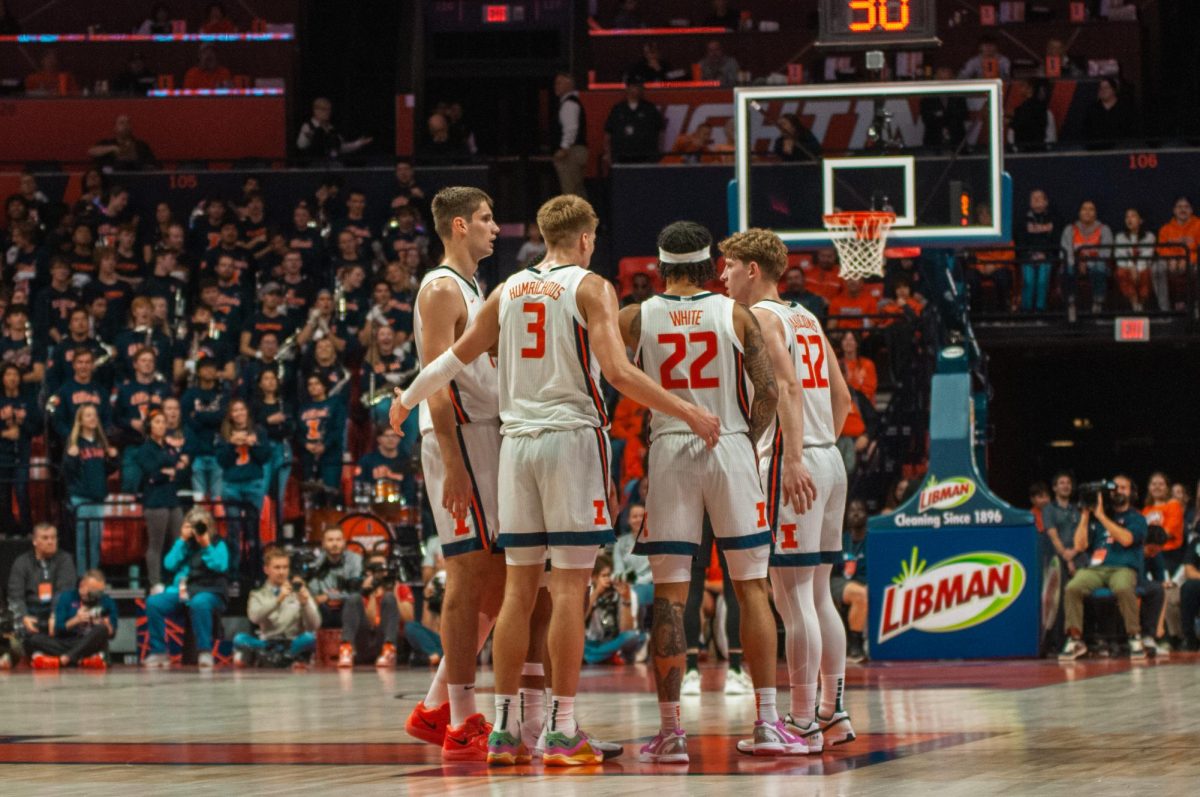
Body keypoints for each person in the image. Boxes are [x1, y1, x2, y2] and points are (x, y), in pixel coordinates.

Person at [392, 194, 720, 766]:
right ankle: (563, 730)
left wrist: (405, 398)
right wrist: (688, 411)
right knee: (567, 587)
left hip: (514, 445)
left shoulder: (506, 289)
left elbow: (449, 362)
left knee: (519, 591)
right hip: (568, 439)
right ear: (586, 239)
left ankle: (503, 728)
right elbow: (617, 372)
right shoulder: (591, 287)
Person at [620, 220, 795, 761]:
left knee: (671, 598)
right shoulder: (734, 313)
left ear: (661, 266)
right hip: (731, 446)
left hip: (671, 446)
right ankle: (767, 722)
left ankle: (672, 733)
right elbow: (768, 392)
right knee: (752, 587)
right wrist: (745, 438)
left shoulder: (636, 316)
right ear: (705, 265)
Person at [720, 227, 857, 752]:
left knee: (792, 594)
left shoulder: (763, 317)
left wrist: (795, 457)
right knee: (819, 593)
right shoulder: (808, 316)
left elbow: (788, 390)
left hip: (791, 461)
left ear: (753, 270)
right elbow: (842, 397)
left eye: (729, 266)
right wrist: (821, 448)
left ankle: (800, 720)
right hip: (828, 459)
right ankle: (832, 712)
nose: (724, 276)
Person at [400, 187, 506, 762]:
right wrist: (456, 464)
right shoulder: (441, 288)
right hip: (458, 438)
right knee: (466, 575)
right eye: (487, 219)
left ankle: (438, 703)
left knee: (497, 579)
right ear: (460, 226)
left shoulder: (471, 286)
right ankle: (461, 718)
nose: (495, 228)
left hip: (482, 435)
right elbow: (435, 381)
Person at [1059, 475, 1149, 660]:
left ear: (1131, 493)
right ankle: (1075, 640)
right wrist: (1085, 515)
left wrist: (1101, 515)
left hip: (1123, 568)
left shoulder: (1137, 518)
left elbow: (1126, 539)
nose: (1118, 491)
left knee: (1123, 587)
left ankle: (1134, 636)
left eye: (1124, 488)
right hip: (1096, 569)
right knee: (1072, 587)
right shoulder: (1098, 517)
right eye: (1115, 488)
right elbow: (1080, 545)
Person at [142, 508, 230, 670]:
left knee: (199, 602)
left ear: (210, 527)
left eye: (201, 526)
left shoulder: (218, 543)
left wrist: (206, 546)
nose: (197, 531)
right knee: (154, 602)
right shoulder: (185, 545)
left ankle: (204, 652)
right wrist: (181, 540)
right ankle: (159, 651)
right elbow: (169, 564)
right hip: (183, 591)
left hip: (209, 590)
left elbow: (220, 565)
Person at [233, 545, 321, 667]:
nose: (281, 572)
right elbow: (254, 617)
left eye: (285, 567)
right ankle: (286, 660)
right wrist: (277, 600)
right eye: (277, 568)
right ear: (266, 570)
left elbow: (314, 625)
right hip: (268, 643)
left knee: (309, 638)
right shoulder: (257, 594)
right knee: (239, 639)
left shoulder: (299, 590)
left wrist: (305, 604)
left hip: (292, 642)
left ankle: (273, 660)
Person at [216, 399, 269, 572]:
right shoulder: (223, 434)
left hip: (254, 483)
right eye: (235, 410)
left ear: (247, 412)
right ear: (230, 415)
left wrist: (253, 445)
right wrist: (232, 445)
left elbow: (264, 457)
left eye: (242, 409)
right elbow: (222, 462)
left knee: (253, 528)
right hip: (231, 485)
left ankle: (254, 569)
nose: (239, 413)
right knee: (233, 528)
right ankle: (234, 570)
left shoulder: (258, 431)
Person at [137, 409, 187, 591]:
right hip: (155, 501)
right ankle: (155, 582)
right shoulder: (144, 449)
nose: (161, 425)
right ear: (150, 426)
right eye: (157, 422)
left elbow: (181, 471)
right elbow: (151, 472)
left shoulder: (169, 448)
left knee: (179, 542)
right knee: (156, 544)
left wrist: (168, 471)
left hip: (172, 499)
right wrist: (168, 471)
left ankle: (179, 579)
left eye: (163, 422)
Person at [62, 405, 117, 571]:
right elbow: (66, 472)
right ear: (80, 420)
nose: (93, 418)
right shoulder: (74, 442)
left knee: (96, 541)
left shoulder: (101, 442)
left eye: (94, 415)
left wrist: (114, 459)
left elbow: (107, 470)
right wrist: (70, 458)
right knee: (83, 541)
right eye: (88, 415)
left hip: (98, 497)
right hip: (82, 498)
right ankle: (82, 577)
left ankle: (93, 575)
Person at [336, 552, 414, 668]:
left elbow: (409, 618)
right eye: (376, 567)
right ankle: (346, 649)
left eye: (382, 566)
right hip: (365, 642)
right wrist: (371, 593)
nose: (380, 571)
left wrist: (393, 593)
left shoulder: (400, 587)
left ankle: (389, 650)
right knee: (353, 598)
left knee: (389, 598)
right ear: (368, 571)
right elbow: (371, 621)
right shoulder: (363, 589)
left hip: (389, 639)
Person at [27, 570, 117, 669]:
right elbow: (58, 628)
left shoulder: (107, 601)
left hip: (90, 642)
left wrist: (105, 624)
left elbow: (111, 634)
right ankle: (80, 660)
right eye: (94, 592)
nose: (97, 595)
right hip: (69, 641)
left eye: (100, 592)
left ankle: (66, 659)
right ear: (82, 586)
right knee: (34, 639)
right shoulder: (67, 597)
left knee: (101, 629)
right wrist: (76, 620)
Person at [6, 524, 76, 640]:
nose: (50, 542)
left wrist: (55, 614)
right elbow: (15, 596)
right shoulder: (22, 562)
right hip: (31, 610)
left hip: (57, 610)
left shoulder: (65, 559)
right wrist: (24, 616)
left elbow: (64, 591)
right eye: (45, 538)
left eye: (53, 538)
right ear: (34, 541)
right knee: (16, 620)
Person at [583, 554, 646, 664]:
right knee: (575, 642)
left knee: (633, 637)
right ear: (594, 578)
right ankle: (611, 656)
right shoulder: (589, 592)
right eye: (604, 575)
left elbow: (627, 630)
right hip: (594, 642)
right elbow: (580, 619)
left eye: (610, 575)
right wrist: (596, 593)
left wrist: (626, 599)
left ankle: (594, 657)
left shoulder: (626, 592)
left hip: (616, 640)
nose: (609, 580)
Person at [180, 357, 228, 499]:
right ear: (198, 372)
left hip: (217, 451)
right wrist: (211, 417)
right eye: (205, 368)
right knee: (199, 500)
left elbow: (222, 418)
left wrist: (199, 415)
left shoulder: (223, 395)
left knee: (217, 500)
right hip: (196, 452)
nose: (209, 371)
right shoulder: (190, 394)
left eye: (212, 368)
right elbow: (186, 420)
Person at [830, 500, 869, 664]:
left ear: (867, 515)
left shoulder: (874, 538)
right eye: (851, 510)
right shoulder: (840, 540)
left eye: (860, 509)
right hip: (841, 582)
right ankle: (855, 647)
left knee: (864, 592)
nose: (855, 513)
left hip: (870, 582)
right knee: (860, 595)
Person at [0, 363, 36, 537]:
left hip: (22, 453)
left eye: (15, 374)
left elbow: (36, 428)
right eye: (8, 374)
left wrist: (23, 424)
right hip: (3, 454)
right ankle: (7, 529)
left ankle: (26, 529)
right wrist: (5, 433)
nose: (12, 378)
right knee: (4, 494)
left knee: (22, 491)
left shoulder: (28, 401)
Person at [1059, 200, 1114, 314]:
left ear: (1095, 213)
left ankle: (1098, 302)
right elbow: (1064, 252)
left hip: (1096, 264)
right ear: (1079, 212)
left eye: (1091, 209)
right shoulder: (1070, 229)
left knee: (1099, 268)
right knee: (1067, 269)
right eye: (1084, 209)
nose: (1087, 212)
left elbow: (1105, 253)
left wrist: (1087, 263)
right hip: (1074, 263)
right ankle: (1071, 303)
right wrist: (1077, 263)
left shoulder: (1104, 229)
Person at [307, 527, 362, 629]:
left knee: (353, 601)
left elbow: (354, 591)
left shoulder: (355, 560)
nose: (335, 544)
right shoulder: (316, 564)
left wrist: (329, 596)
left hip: (348, 607)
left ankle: (347, 642)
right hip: (324, 610)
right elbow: (314, 596)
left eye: (338, 540)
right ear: (323, 544)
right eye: (330, 540)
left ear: (344, 542)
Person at [603, 81, 665, 166]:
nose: (638, 89)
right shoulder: (618, 109)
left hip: (646, 156)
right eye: (635, 86)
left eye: (640, 87)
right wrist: (608, 153)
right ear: (627, 88)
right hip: (622, 156)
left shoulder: (650, 108)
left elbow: (660, 131)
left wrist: (660, 151)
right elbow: (608, 132)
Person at [1155, 195, 1200, 312]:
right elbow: (1160, 248)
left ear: (1191, 210)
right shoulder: (1165, 229)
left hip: (1192, 261)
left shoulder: (1198, 225)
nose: (1182, 210)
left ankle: (1197, 309)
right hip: (1171, 262)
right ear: (1174, 210)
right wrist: (1171, 258)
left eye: (1186, 207)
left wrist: (1189, 259)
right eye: (1179, 207)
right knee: (1157, 269)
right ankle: (1165, 310)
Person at [1017, 189, 1059, 312]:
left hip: (1047, 256)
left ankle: (1041, 310)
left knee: (1041, 280)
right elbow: (1020, 240)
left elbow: (1055, 240)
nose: (1036, 200)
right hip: (1027, 256)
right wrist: (1030, 255)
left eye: (1039, 197)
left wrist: (1044, 254)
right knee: (1029, 281)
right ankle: (1026, 310)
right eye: (1033, 198)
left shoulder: (1054, 218)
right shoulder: (1023, 220)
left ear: (1046, 202)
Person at [296, 97, 372, 161]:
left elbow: (341, 147)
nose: (328, 112)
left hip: (332, 165)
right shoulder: (308, 126)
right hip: (315, 166)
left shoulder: (332, 128)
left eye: (329, 109)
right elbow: (301, 146)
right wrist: (310, 136)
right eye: (325, 109)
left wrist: (359, 143)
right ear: (316, 110)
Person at [551, 73, 588, 198]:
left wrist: (564, 148)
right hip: (577, 151)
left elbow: (571, 128)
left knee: (570, 190)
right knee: (577, 189)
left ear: (569, 84)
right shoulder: (571, 102)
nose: (556, 86)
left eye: (559, 83)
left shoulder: (569, 104)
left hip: (571, 152)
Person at [1114, 208, 1156, 312]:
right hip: (1127, 268)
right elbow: (1120, 256)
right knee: (1121, 272)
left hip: (1143, 267)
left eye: (1133, 216)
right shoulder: (1120, 237)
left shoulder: (1149, 236)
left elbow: (1148, 255)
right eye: (1127, 217)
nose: (1129, 219)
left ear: (1140, 220)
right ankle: (1133, 302)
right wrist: (1131, 267)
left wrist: (1137, 269)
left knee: (1146, 272)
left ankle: (1141, 303)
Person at [1042, 472, 1085, 574]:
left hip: (1078, 554)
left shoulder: (1077, 509)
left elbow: (1083, 534)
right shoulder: (1049, 509)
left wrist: (1074, 552)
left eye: (1068, 483)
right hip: (1058, 556)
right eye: (1061, 483)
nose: (1066, 486)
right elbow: (1053, 537)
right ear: (1054, 488)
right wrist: (1068, 559)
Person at [920, 67, 968, 151]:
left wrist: (941, 115)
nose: (944, 82)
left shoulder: (959, 98)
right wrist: (948, 116)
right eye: (941, 79)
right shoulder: (927, 99)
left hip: (957, 144)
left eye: (948, 79)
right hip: (934, 144)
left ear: (953, 79)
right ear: (935, 79)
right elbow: (927, 119)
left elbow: (963, 116)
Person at [1083, 78, 1138, 150]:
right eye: (1100, 88)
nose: (1103, 90)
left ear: (1114, 90)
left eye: (1106, 87)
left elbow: (1132, 131)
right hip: (1096, 150)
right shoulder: (1092, 109)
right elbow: (1086, 131)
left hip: (1121, 149)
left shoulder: (1126, 108)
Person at [87, 115, 157, 172]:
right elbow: (91, 151)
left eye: (128, 123)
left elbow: (152, 164)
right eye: (122, 123)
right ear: (115, 128)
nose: (125, 125)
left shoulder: (141, 145)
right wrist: (112, 148)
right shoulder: (107, 143)